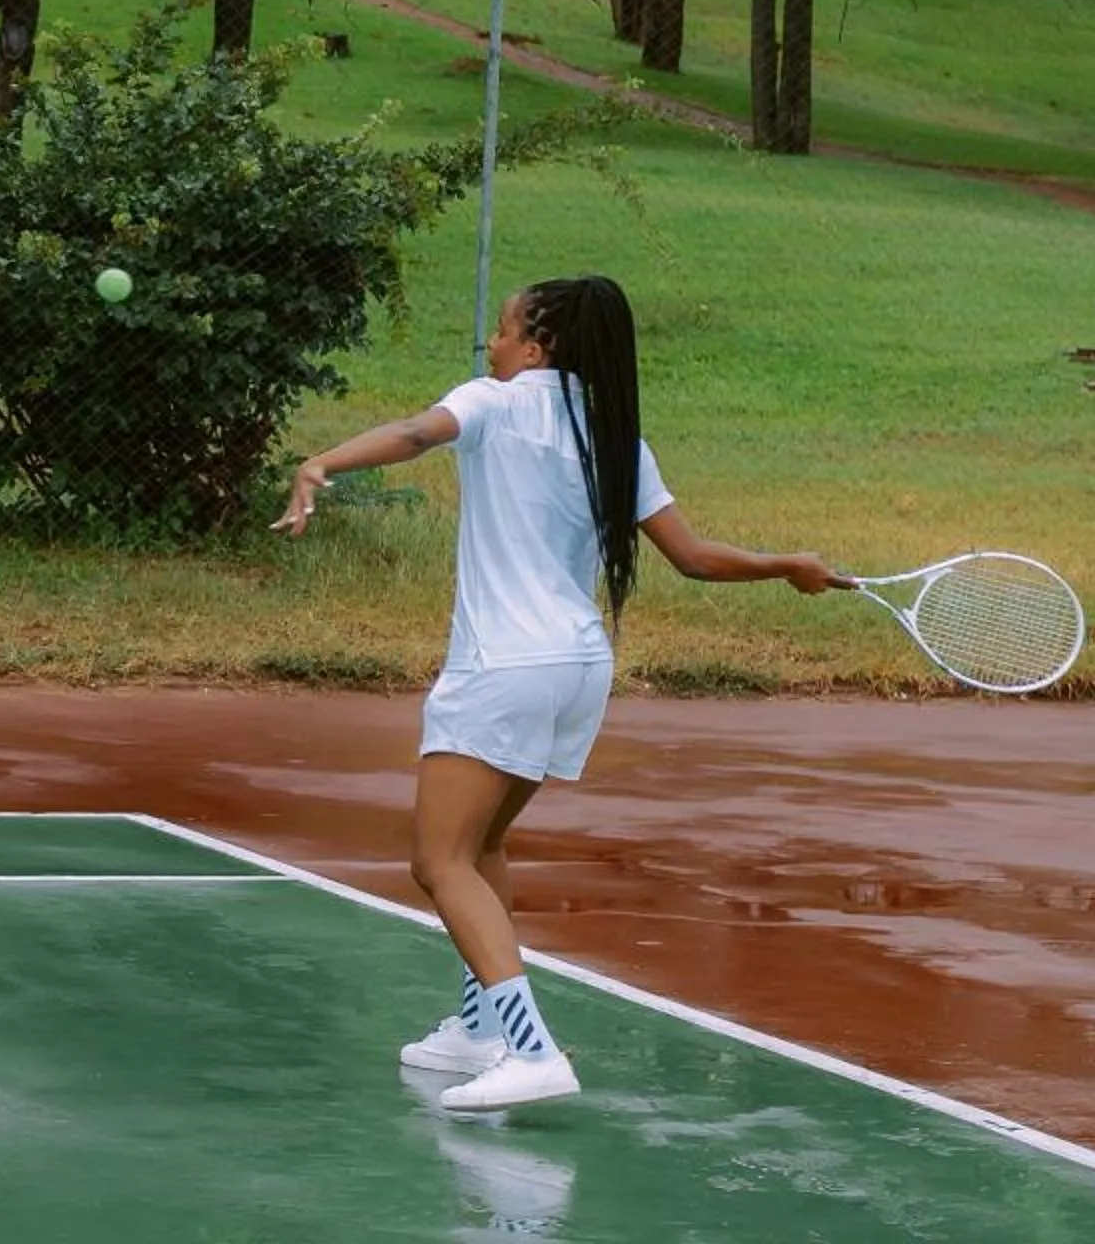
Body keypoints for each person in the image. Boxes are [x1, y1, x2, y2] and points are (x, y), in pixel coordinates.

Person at [272, 274, 844, 1111]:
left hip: (504, 667)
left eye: (500, 334)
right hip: (579, 669)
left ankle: (533, 1051)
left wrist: (321, 461)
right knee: (482, 846)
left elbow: (412, 432)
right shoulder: (616, 436)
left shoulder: (493, 403)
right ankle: (480, 1028)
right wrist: (786, 565)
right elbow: (693, 557)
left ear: (534, 348)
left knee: (437, 862)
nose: (491, 348)